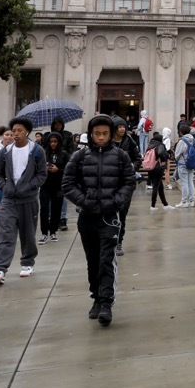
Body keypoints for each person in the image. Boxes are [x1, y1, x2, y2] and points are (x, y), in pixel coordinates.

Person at [62, 114, 136, 326]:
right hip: (87, 218)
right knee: (92, 261)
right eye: (97, 134)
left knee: (106, 260)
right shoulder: (80, 156)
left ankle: (106, 303)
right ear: (91, 134)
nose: (101, 138)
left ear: (111, 134)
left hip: (109, 218)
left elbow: (129, 182)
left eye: (105, 134)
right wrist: (85, 201)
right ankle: (95, 298)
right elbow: (68, 184)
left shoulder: (121, 156)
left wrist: (116, 202)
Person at [0, 117, 48, 284]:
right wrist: (5, 186)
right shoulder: (5, 152)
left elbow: (42, 174)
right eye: (13, 130)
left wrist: (30, 186)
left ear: (27, 132)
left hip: (28, 199)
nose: (15, 134)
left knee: (28, 233)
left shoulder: (36, 151)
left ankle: (27, 263)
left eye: (19, 131)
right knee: (5, 233)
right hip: (9, 200)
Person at [111, 118, 141, 256]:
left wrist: (132, 168)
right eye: (119, 127)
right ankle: (109, 240)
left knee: (122, 214)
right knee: (110, 213)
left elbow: (137, 158)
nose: (122, 129)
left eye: (124, 126)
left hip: (126, 183)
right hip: (110, 183)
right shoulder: (108, 141)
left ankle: (119, 242)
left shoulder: (129, 141)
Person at [38, 132, 69, 243]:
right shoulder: (43, 154)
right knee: (44, 209)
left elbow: (68, 171)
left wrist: (58, 170)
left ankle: (53, 231)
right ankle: (44, 232)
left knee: (56, 209)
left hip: (58, 187)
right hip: (45, 186)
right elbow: (37, 169)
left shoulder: (64, 155)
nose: (53, 144)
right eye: (51, 142)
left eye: (55, 142)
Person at [146, 129, 173, 210]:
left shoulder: (150, 145)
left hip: (151, 168)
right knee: (156, 187)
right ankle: (153, 205)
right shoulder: (160, 145)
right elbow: (161, 153)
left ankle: (165, 204)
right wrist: (165, 158)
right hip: (158, 168)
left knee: (160, 187)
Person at [172, 123, 195, 207]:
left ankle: (184, 202)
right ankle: (192, 200)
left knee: (184, 183)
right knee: (190, 181)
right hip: (192, 163)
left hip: (183, 164)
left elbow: (177, 154)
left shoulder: (182, 141)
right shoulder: (194, 140)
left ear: (181, 132)